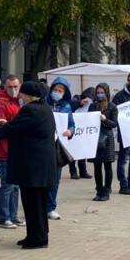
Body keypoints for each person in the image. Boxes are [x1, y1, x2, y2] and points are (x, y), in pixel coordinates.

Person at [0, 81, 57, 249]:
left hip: (32, 166)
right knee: (39, 203)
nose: (19, 96)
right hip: (41, 165)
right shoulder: (45, 108)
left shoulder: (31, 110)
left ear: (28, 95)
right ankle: (36, 235)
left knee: (33, 203)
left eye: (22, 93)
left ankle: (37, 239)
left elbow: (11, 130)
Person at [0, 75, 25, 227]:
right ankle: (4, 217)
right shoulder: (1, 103)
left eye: (16, 86)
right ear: (5, 87)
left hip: (18, 148)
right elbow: (2, 126)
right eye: (10, 87)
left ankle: (14, 215)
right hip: (6, 149)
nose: (13, 89)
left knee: (16, 184)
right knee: (7, 184)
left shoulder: (20, 101)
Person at [46, 76, 75, 217]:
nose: (57, 92)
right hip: (44, 145)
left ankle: (51, 207)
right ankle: (40, 205)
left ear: (65, 93)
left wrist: (70, 131)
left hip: (59, 147)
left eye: (60, 90)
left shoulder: (67, 106)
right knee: (43, 178)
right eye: (55, 89)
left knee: (55, 179)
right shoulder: (44, 103)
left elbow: (72, 125)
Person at [90, 83, 118, 199]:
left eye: (102, 92)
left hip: (107, 139)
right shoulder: (93, 106)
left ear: (106, 93)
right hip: (95, 138)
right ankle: (99, 190)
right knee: (97, 166)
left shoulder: (112, 106)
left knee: (107, 166)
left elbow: (114, 124)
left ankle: (107, 190)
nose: (100, 95)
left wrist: (105, 119)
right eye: (98, 93)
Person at [68, 88, 92, 181]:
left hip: (83, 132)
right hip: (74, 131)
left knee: (82, 152)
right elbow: (70, 106)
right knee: (73, 152)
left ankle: (83, 171)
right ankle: (73, 172)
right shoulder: (76, 100)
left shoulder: (91, 104)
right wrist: (79, 103)